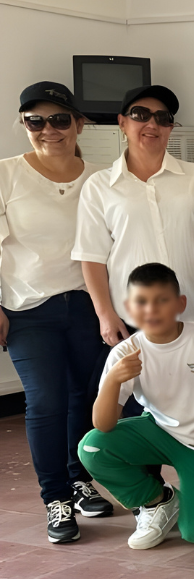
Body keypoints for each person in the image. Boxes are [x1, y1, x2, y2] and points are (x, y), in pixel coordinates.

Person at [1, 82, 110, 541]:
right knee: (45, 400)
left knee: (83, 398)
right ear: (24, 125)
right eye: (36, 121)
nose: (49, 129)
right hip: (28, 310)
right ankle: (56, 498)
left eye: (60, 119)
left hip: (90, 305)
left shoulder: (102, 179)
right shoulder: (6, 174)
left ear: (79, 123)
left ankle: (78, 477)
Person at [78, 263, 194, 550]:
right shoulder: (124, 352)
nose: (151, 310)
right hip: (161, 432)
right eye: (141, 302)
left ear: (180, 304)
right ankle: (159, 501)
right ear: (128, 307)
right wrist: (114, 379)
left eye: (161, 301)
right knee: (92, 447)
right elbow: (102, 424)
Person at [75, 85, 194, 346]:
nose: (152, 124)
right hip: (133, 322)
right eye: (140, 114)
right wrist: (105, 315)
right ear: (122, 123)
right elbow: (92, 257)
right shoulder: (99, 186)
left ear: (171, 128)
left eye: (163, 118)